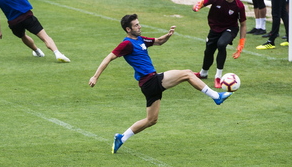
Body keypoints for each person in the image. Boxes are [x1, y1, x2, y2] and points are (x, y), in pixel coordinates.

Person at [88, 14, 233, 154]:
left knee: (151, 120)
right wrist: (95, 77)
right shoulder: (127, 44)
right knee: (187, 73)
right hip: (150, 81)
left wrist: (168, 35)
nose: (140, 26)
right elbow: (108, 58)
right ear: (128, 29)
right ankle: (216, 96)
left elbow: (158, 41)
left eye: (139, 23)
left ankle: (122, 137)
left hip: (148, 84)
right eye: (136, 25)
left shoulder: (140, 39)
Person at [192, 0, 247, 88]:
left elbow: (243, 24)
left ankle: (218, 77)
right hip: (214, 29)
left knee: (221, 44)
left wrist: (241, 44)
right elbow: (202, 3)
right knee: (209, 51)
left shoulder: (239, 6)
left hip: (230, 29)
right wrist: (197, 7)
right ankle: (203, 73)